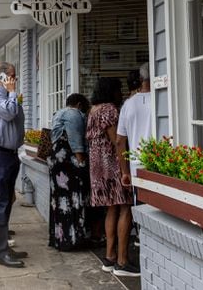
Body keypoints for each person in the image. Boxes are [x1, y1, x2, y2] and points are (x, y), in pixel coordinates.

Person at [87, 77, 139, 277]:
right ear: (111, 91)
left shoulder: (93, 110)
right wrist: (125, 169)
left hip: (97, 168)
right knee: (125, 207)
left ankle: (109, 257)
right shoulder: (110, 110)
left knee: (111, 209)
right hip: (112, 166)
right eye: (118, 89)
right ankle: (122, 261)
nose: (121, 93)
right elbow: (117, 141)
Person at [0, 62, 28, 268]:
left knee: (7, 202)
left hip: (10, 154)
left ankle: (4, 246)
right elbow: (9, 114)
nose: (15, 80)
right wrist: (11, 94)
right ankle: (0, 252)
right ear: (2, 78)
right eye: (12, 76)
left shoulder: (8, 97)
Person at [48, 92, 91, 251]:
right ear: (79, 105)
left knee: (59, 201)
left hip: (56, 161)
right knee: (73, 200)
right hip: (67, 163)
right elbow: (76, 142)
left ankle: (60, 238)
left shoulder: (58, 113)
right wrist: (82, 162)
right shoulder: (74, 115)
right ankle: (72, 239)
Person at [117, 64, 153, 183]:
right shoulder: (163, 100)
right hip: (160, 161)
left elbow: (119, 141)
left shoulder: (127, 105)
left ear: (140, 80)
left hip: (136, 164)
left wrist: (125, 172)